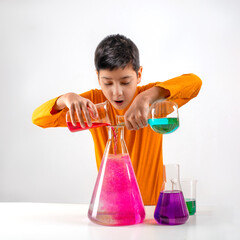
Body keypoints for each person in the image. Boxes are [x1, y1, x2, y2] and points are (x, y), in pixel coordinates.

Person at [32, 34, 202, 205]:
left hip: (151, 209)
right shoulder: (93, 104)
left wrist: (147, 97)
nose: (117, 92)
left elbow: (194, 83)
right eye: (108, 83)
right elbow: (38, 119)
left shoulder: (155, 99)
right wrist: (66, 99)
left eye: (126, 82)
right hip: (111, 211)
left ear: (139, 74)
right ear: (98, 77)